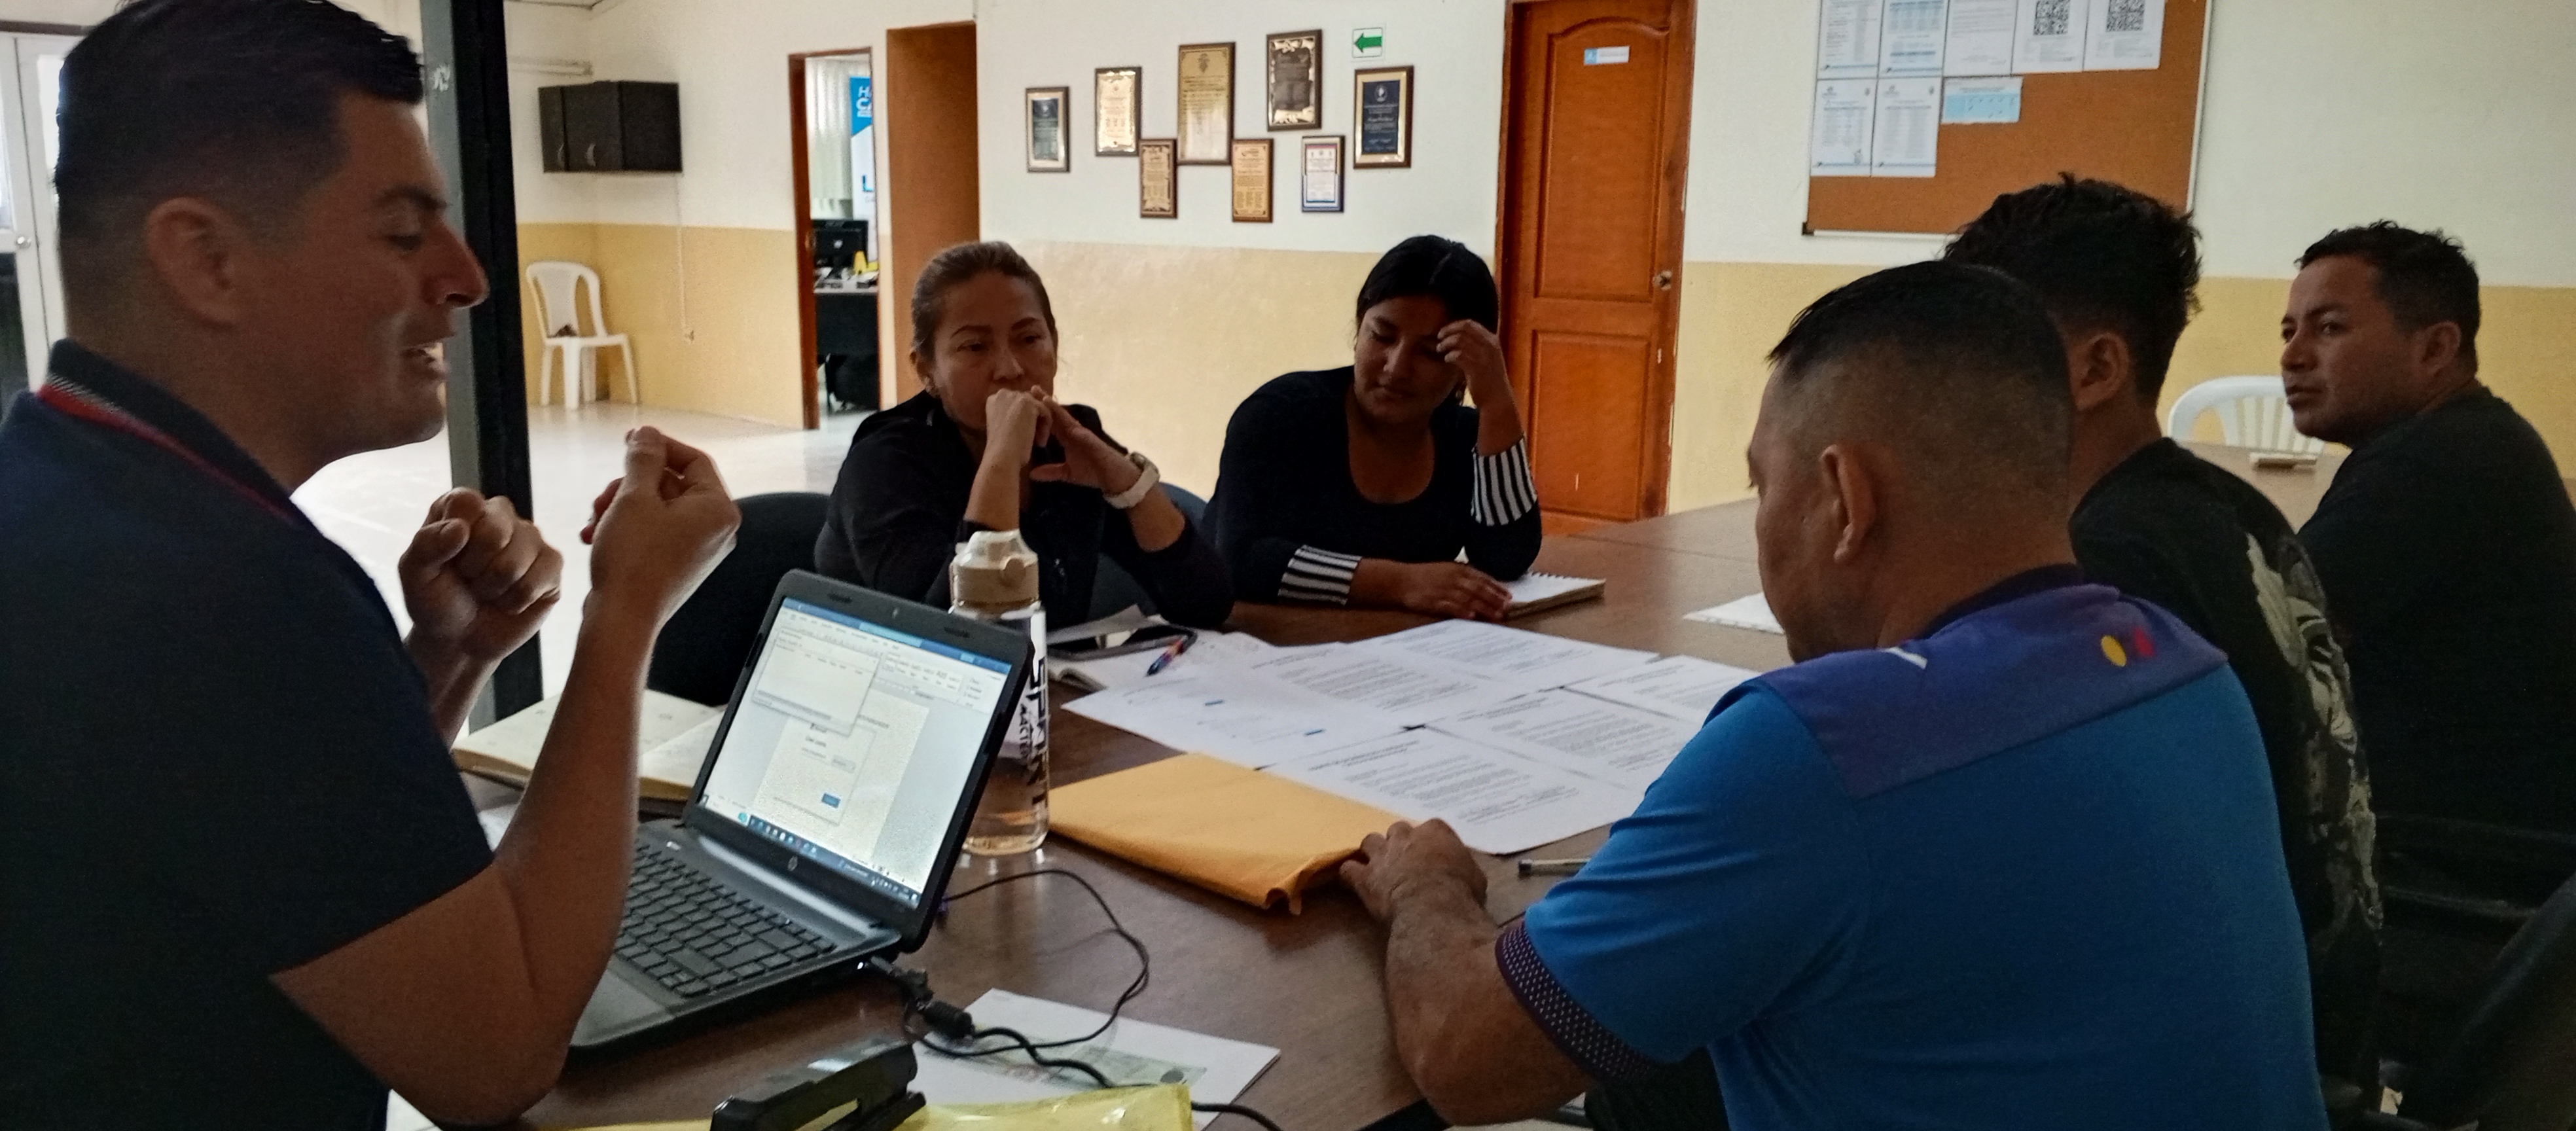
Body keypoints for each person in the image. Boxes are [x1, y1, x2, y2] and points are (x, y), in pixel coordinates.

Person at [1341, 262, 2327, 1130]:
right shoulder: (2188, 670)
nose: (1764, 521)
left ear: (1847, 500)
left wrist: (1428, 886)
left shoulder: (1823, 750)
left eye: (1764, 487)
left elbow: (1466, 1060)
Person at [0, 3, 740, 1127]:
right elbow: (495, 1053)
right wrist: (626, 609)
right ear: (206, 259)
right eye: (403, 234)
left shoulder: (63, 485)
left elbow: (277, 853)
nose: (468, 277)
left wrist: (444, 663)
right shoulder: (220, 590)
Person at [1943, 175, 2380, 1083]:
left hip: (2224, 1054)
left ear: (2095, 369)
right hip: (2314, 997)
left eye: (1977, 350)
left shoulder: (2108, 566)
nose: (1942, 385)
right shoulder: (2220, 506)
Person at [2285, 223, 2576, 835]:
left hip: (2453, 852)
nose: (2294, 356)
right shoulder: (2474, 436)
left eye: (2329, 328)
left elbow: (2273, 644)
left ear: (2436, 348)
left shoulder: (2432, 463)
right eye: (2290, 332)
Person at [816, 240, 1231, 628]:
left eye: (1030, 339)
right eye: (975, 347)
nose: (1010, 368)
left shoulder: (1068, 437)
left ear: (1055, 344)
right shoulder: (885, 462)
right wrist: (1001, 460)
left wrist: (1129, 484)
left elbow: (1207, 603)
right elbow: (957, 638)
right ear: (927, 370)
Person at [1206, 236, 1541, 619]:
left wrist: (1497, 403)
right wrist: (1400, 584)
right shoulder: (1281, 414)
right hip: (1259, 638)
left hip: (1389, 641)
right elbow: (1241, 559)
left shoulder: (1463, 434)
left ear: (1462, 367)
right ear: (1358, 328)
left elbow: (1507, 556)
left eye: (1430, 352)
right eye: (1382, 336)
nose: (1396, 368)